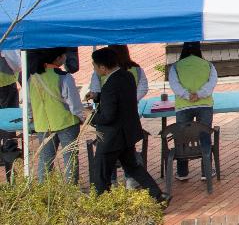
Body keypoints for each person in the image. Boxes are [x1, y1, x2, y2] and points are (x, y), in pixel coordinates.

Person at [86, 48, 164, 202]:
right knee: (133, 167)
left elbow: (108, 116)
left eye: (94, 66)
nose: (94, 69)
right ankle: (158, 195)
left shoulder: (109, 84)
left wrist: (91, 117)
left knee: (100, 172)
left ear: (103, 67)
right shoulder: (127, 75)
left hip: (111, 137)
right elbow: (120, 98)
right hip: (127, 133)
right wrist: (98, 96)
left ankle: (100, 204)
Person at [30, 49, 83, 181]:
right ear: (58, 58)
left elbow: (29, 103)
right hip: (67, 122)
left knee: (45, 160)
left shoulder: (32, 77)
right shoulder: (64, 77)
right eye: (64, 55)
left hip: (43, 124)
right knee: (70, 158)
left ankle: (43, 191)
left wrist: (32, 118)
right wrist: (81, 117)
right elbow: (74, 102)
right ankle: (71, 191)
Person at [169, 41, 216, 182]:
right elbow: (212, 82)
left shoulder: (176, 66)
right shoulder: (207, 65)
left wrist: (187, 95)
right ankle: (205, 171)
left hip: (183, 106)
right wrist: (199, 94)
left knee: (182, 138)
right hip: (204, 105)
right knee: (205, 136)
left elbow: (174, 84)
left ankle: (182, 172)